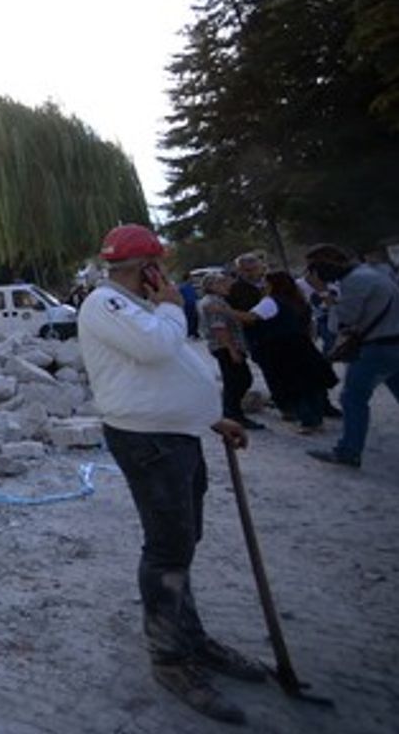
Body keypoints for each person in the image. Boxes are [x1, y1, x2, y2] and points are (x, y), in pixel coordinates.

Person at [79, 225, 264, 726]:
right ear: (147, 267)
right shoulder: (107, 304)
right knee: (167, 548)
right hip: (149, 442)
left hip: (176, 434)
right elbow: (158, 349)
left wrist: (209, 416)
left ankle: (191, 637)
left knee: (183, 541)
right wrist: (170, 305)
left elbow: (170, 369)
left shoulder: (141, 307)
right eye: (160, 267)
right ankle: (169, 657)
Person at [305, 244, 399, 468]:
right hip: (394, 342)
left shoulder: (354, 282)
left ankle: (348, 452)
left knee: (352, 399)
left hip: (376, 348)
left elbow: (341, 322)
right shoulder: (374, 272)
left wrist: (323, 292)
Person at [217, 271, 338, 434]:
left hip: (283, 348)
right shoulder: (297, 299)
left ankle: (309, 421)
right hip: (302, 345)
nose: (262, 287)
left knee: (294, 385)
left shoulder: (271, 301)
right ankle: (317, 418)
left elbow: (250, 317)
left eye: (265, 284)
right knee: (311, 384)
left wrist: (223, 310)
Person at [197, 273, 262, 430]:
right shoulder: (213, 303)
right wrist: (232, 350)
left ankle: (232, 412)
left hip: (228, 346)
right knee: (238, 380)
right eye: (223, 283)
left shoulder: (218, 301)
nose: (228, 285)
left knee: (238, 380)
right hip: (226, 347)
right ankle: (233, 414)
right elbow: (220, 328)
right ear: (212, 286)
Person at [178, 274, 200, 339]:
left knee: (195, 318)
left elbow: (195, 295)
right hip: (186, 305)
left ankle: (194, 332)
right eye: (191, 278)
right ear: (187, 278)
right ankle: (189, 332)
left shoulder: (191, 286)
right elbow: (180, 296)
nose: (192, 279)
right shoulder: (182, 287)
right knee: (189, 318)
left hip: (193, 304)